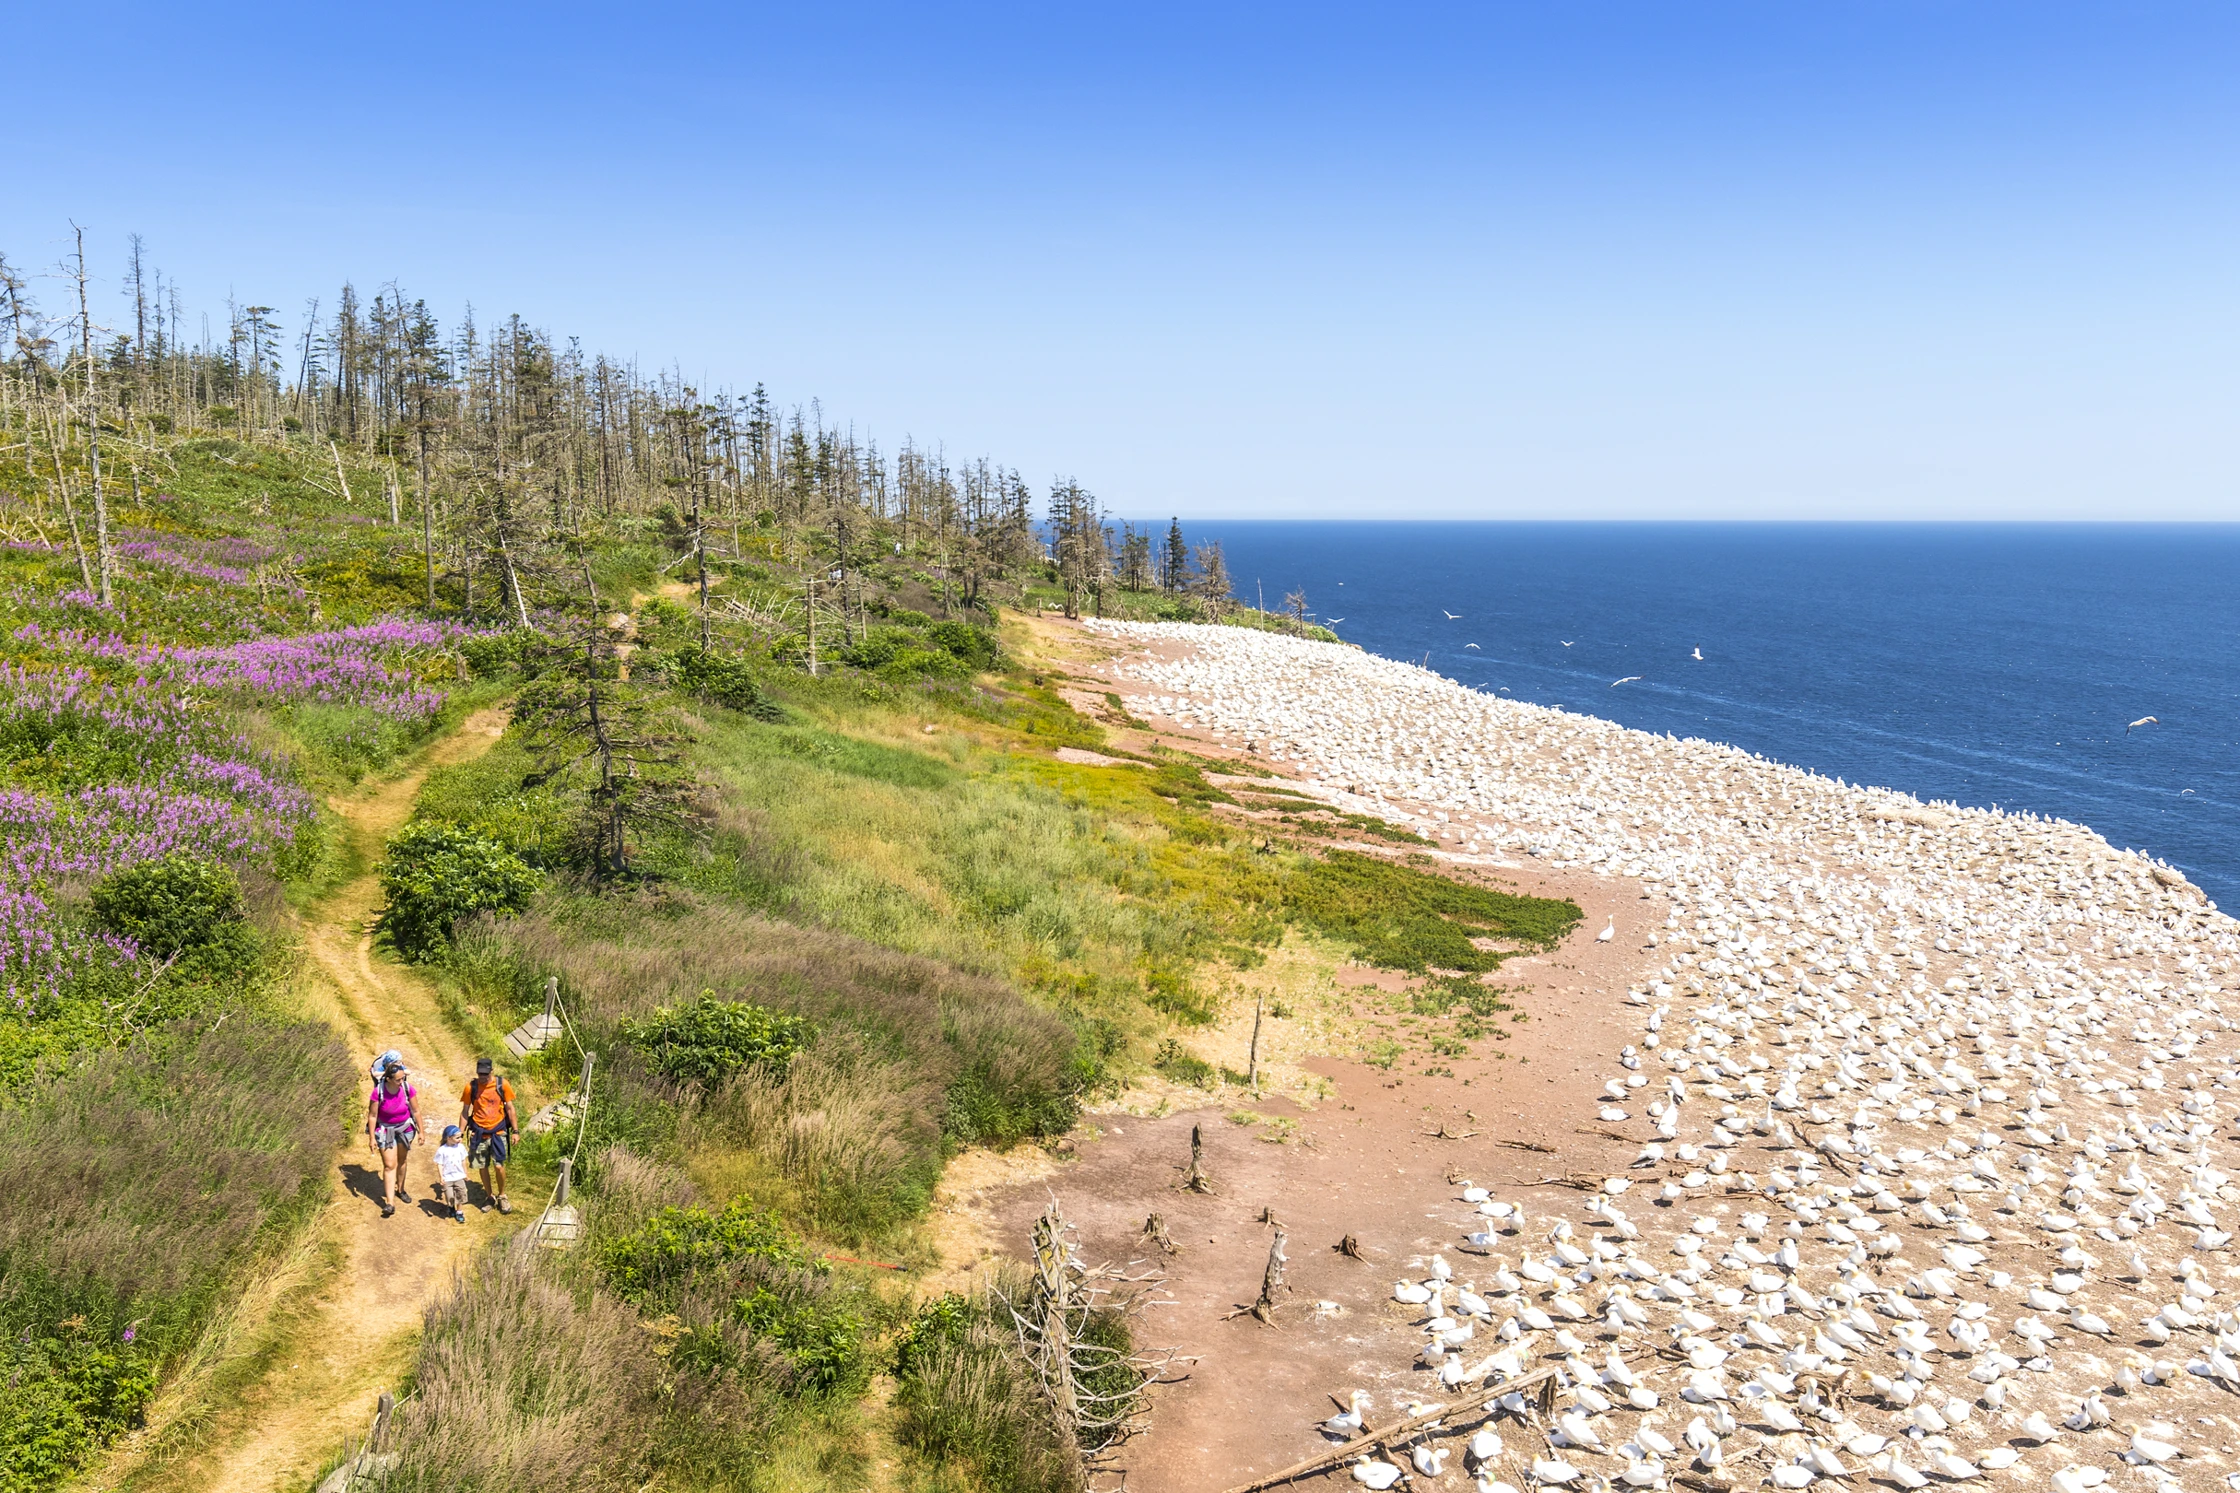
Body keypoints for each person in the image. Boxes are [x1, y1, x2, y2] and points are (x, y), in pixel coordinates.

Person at [459, 1056, 518, 1215]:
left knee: (499, 1166)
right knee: (482, 1166)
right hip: (479, 1133)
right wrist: (460, 1132)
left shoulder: (502, 1085)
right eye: (480, 1074)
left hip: (498, 1132)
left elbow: (510, 1108)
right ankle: (489, 1196)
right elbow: (465, 1112)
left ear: (492, 1071)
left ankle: (502, 1195)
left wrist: (515, 1131)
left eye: (485, 1074)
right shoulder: (470, 1088)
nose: (483, 1077)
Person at [364, 1059, 420, 1218]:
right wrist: (372, 1138)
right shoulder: (378, 1092)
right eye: (398, 1079)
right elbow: (373, 1115)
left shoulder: (408, 1089)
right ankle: (390, 1203)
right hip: (386, 1130)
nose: (402, 1082)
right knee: (390, 1164)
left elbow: (416, 1111)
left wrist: (421, 1132)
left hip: (405, 1129)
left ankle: (400, 1190)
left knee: (402, 1160)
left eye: (403, 1078)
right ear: (388, 1079)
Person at [434, 1125, 470, 1223]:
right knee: (449, 1196)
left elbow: (463, 1161)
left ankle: (459, 1212)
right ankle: (451, 1207)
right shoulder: (442, 1150)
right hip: (447, 1177)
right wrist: (441, 1177)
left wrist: (465, 1174)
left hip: (459, 1176)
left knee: (461, 1194)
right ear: (448, 1138)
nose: (460, 1139)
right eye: (457, 1137)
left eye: (460, 1137)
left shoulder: (461, 1148)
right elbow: (440, 1164)